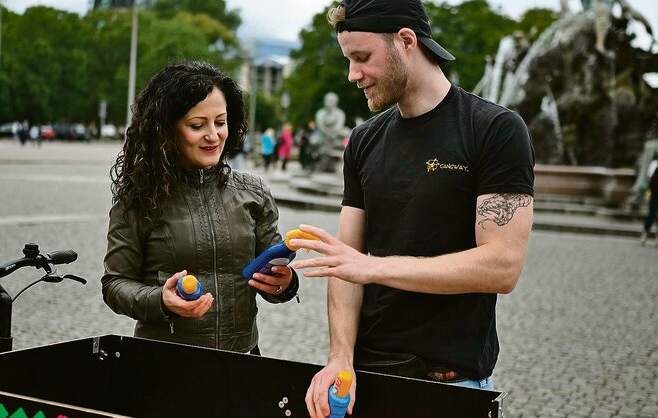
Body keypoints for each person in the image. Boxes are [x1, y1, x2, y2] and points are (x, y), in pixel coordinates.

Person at [295, 1, 535, 417]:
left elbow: (503, 265)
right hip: (365, 379)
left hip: (448, 382)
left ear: (406, 41)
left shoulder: (494, 129)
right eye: (349, 60)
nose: (353, 74)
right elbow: (345, 266)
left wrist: (374, 268)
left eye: (362, 57)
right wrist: (339, 356)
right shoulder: (364, 140)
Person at [101, 61, 298, 353]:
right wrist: (161, 301)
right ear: (167, 130)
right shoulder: (140, 197)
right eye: (197, 125)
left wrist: (284, 283)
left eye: (220, 122)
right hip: (166, 363)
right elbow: (115, 284)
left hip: (243, 360)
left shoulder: (254, 193)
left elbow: (272, 278)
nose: (213, 135)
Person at [640, 153, 658, 246]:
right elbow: (649, 178)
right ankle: (645, 234)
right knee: (651, 213)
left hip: (654, 193)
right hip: (655, 193)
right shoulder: (654, 164)